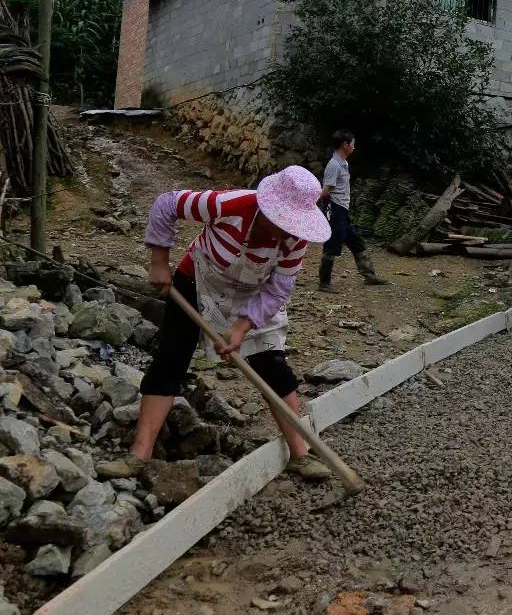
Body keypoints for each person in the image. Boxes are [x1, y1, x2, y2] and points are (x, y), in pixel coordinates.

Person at [100, 167, 334, 481]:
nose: (285, 231)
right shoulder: (229, 205)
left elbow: (278, 290)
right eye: (280, 222)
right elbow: (168, 204)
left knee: (271, 364)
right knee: (172, 358)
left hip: (253, 294)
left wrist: (241, 327)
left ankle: (300, 453)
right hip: (199, 280)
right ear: (265, 207)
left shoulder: (295, 241)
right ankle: (139, 454)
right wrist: (158, 261)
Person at [318, 130, 388, 293]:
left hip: (342, 208)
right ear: (345, 145)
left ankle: (369, 275)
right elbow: (326, 191)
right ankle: (324, 282)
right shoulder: (334, 165)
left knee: (355, 240)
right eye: (353, 143)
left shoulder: (343, 162)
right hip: (335, 208)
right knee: (332, 244)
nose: (354, 147)